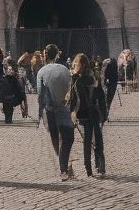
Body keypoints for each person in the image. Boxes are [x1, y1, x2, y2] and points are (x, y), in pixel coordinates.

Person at [36, 44, 75, 182]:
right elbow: (71, 90)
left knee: (55, 138)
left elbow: (40, 95)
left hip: (49, 110)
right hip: (64, 109)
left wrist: (39, 114)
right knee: (68, 138)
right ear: (57, 54)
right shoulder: (65, 69)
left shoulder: (41, 72)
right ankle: (64, 165)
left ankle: (64, 167)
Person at [69, 53, 108, 178]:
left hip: (83, 113)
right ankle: (100, 166)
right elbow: (101, 96)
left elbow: (72, 98)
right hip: (95, 112)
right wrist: (104, 113)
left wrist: (71, 113)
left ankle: (88, 169)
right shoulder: (94, 77)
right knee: (98, 139)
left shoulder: (75, 79)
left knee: (87, 141)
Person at [0, 58, 26, 123]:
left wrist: (20, 100)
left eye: (11, 70)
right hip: (6, 98)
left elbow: (18, 90)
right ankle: (7, 119)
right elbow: (0, 90)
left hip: (11, 98)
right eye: (9, 70)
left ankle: (9, 119)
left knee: (10, 111)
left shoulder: (14, 80)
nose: (10, 71)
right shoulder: (3, 79)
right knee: (6, 111)